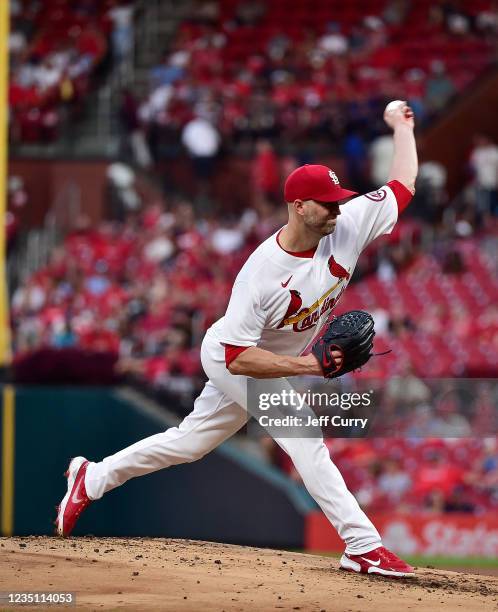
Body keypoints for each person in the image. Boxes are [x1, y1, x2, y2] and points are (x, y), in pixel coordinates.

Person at [56, 102, 418, 578]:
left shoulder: (348, 221)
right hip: (234, 357)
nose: (336, 208)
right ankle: (362, 545)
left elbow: (402, 185)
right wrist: (312, 368)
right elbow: (240, 359)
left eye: (338, 199)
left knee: (190, 444)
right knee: (304, 436)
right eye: (326, 202)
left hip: (268, 358)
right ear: (298, 207)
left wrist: (401, 127)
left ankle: (93, 476)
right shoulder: (262, 273)